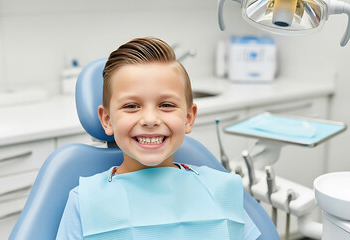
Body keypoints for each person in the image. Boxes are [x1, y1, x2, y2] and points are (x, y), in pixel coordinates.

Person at [56, 37, 261, 240]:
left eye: (166, 105)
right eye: (131, 106)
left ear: (188, 118)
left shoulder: (220, 189)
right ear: (107, 119)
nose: (150, 119)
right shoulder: (85, 201)